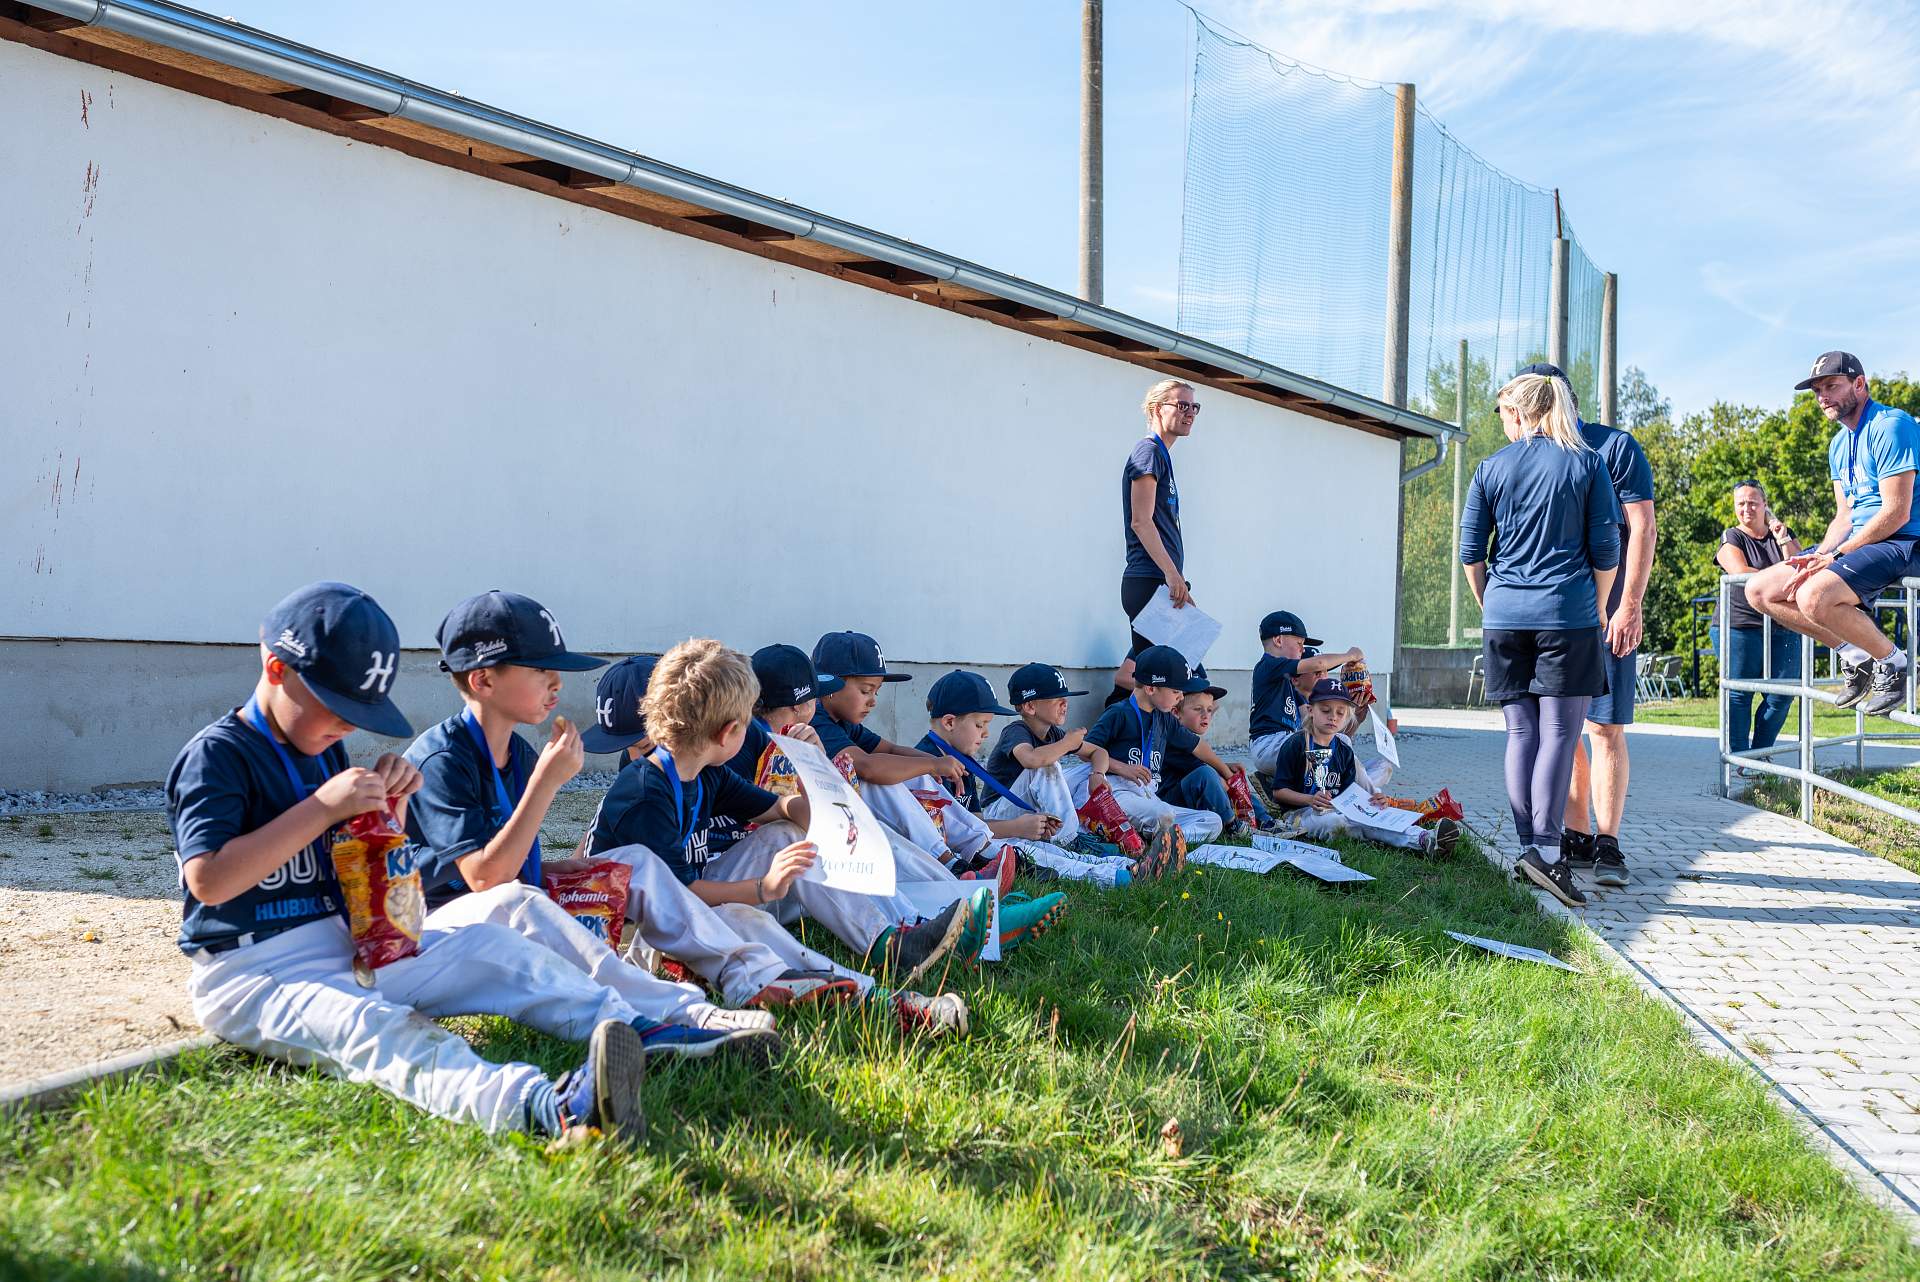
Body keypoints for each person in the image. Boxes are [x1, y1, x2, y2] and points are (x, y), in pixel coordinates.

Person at [170, 581, 653, 1141]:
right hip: (255, 969)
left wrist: (386, 817)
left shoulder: (322, 747)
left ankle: (642, 1029)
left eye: (361, 710)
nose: (348, 724)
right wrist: (324, 807)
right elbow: (208, 881)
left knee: (493, 947)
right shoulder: (218, 753)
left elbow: (352, 870)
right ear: (277, 669)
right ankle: (554, 1110)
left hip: (346, 944)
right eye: (338, 706)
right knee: (382, 1029)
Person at [404, 597, 836, 1033]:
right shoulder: (444, 760)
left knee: (636, 862)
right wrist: (546, 784)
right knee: (521, 899)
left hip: (509, 909)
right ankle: (678, 1014)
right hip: (442, 939)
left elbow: (510, 866)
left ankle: (752, 977)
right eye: (539, 669)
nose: (556, 682)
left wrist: (563, 868)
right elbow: (486, 880)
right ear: (483, 680)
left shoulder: (515, 750)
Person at [586, 639, 986, 999]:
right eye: (747, 722)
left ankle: (894, 941)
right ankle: (863, 991)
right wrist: (763, 887)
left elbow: (784, 810)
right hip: (644, 936)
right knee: (742, 917)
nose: (756, 730)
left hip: (689, 905)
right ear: (729, 732)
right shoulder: (646, 793)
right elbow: (678, 896)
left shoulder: (705, 771)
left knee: (788, 835)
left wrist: (810, 767)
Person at [801, 631, 1068, 952]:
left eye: (876, 691)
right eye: (866, 690)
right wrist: (932, 764)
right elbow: (868, 767)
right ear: (828, 686)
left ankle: (971, 869)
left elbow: (889, 749)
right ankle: (963, 877)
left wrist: (937, 764)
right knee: (880, 782)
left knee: (903, 776)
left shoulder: (840, 721)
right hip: (813, 847)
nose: (873, 700)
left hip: (828, 836)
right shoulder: (815, 719)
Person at [1461, 371, 1621, 907]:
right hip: (1566, 614)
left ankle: (1529, 847)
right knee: (1558, 733)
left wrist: (1491, 603)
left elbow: (1470, 551)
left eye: (1505, 414)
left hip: (1504, 615)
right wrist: (1598, 607)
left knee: (1520, 733)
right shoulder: (1586, 463)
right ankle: (1548, 855)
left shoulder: (1490, 467)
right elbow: (1607, 549)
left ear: (1520, 413)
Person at [1517, 363, 1656, 891]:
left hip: (1609, 609)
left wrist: (1630, 605)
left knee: (1603, 727)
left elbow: (1642, 527)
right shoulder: (1527, 454)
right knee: (1562, 728)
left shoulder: (1614, 447)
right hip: (1554, 614)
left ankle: (1608, 840)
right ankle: (1574, 833)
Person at [1750, 352, 1920, 718]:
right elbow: (1844, 516)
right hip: (1859, 542)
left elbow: (1896, 511)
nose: (1823, 396)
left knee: (1813, 596)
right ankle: (1857, 655)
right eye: (1817, 391)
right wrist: (1819, 554)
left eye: (1831, 386)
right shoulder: (1839, 444)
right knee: (1760, 590)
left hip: (1903, 541)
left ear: (1859, 384)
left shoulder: (1891, 425)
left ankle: (1895, 663)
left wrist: (1836, 556)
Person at [1267, 680, 1457, 854]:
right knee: (1335, 823)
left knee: (1374, 815)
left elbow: (1350, 792)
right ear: (1310, 710)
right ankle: (1367, 834)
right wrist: (1310, 799)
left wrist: (1374, 797)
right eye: (1325, 710)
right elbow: (1279, 792)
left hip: (1339, 808)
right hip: (1300, 814)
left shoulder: (1343, 748)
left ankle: (1425, 839)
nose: (1333, 717)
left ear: (1347, 716)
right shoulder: (1295, 744)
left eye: (1340, 713)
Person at [1109, 379, 1200, 706]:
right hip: (1149, 580)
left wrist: (1177, 580)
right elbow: (1141, 521)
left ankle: (1129, 722)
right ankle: (1118, 725)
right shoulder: (1147, 452)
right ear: (1156, 409)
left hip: (1161, 582)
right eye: (1181, 405)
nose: (1190, 413)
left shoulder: (1162, 456)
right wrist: (1172, 575)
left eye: (1194, 407)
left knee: (1174, 675)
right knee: (1166, 681)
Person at [1082, 644, 1224, 847]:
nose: (1181, 697)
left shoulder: (1164, 717)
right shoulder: (1119, 712)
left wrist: (1226, 772)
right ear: (1150, 689)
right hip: (1118, 791)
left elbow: (1198, 746)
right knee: (1163, 814)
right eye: (1176, 691)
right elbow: (1086, 750)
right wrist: (1123, 768)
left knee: (1212, 821)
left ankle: (1160, 840)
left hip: (1149, 796)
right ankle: (1155, 837)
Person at [1711, 481, 1802, 756]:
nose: (1746, 508)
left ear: (1765, 505)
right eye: (1741, 503)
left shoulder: (1783, 534)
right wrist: (1783, 576)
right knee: (1740, 693)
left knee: (1782, 695)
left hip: (1783, 623)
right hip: (1740, 625)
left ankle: (1759, 755)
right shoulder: (1731, 537)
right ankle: (1741, 759)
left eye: (1752, 502)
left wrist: (1783, 539)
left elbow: (1801, 568)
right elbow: (1739, 571)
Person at [1248, 611, 1364, 776]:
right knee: (1331, 746)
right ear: (1278, 640)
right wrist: (1350, 655)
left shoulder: (1286, 679)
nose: (1302, 649)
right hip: (1269, 745)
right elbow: (1319, 662)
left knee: (1336, 745)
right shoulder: (1268, 665)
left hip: (1283, 743)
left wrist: (1351, 713)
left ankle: (1354, 789)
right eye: (1299, 643)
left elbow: (1313, 722)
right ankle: (1361, 789)